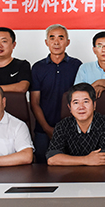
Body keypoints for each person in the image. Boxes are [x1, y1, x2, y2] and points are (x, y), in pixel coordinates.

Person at [30, 24, 82, 163]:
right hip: (43, 129)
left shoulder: (77, 65)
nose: (56, 42)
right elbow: (34, 102)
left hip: (72, 128)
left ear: (67, 42)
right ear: (46, 42)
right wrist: (47, 128)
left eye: (61, 38)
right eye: (52, 38)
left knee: (72, 167)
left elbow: (80, 98)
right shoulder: (38, 67)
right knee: (41, 167)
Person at [46, 83, 105, 166]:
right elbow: (52, 159)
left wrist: (68, 160)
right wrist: (86, 160)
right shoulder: (62, 126)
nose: (81, 107)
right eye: (76, 103)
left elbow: (104, 158)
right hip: (69, 172)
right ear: (69, 108)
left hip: (98, 172)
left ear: (94, 105)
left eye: (86, 101)